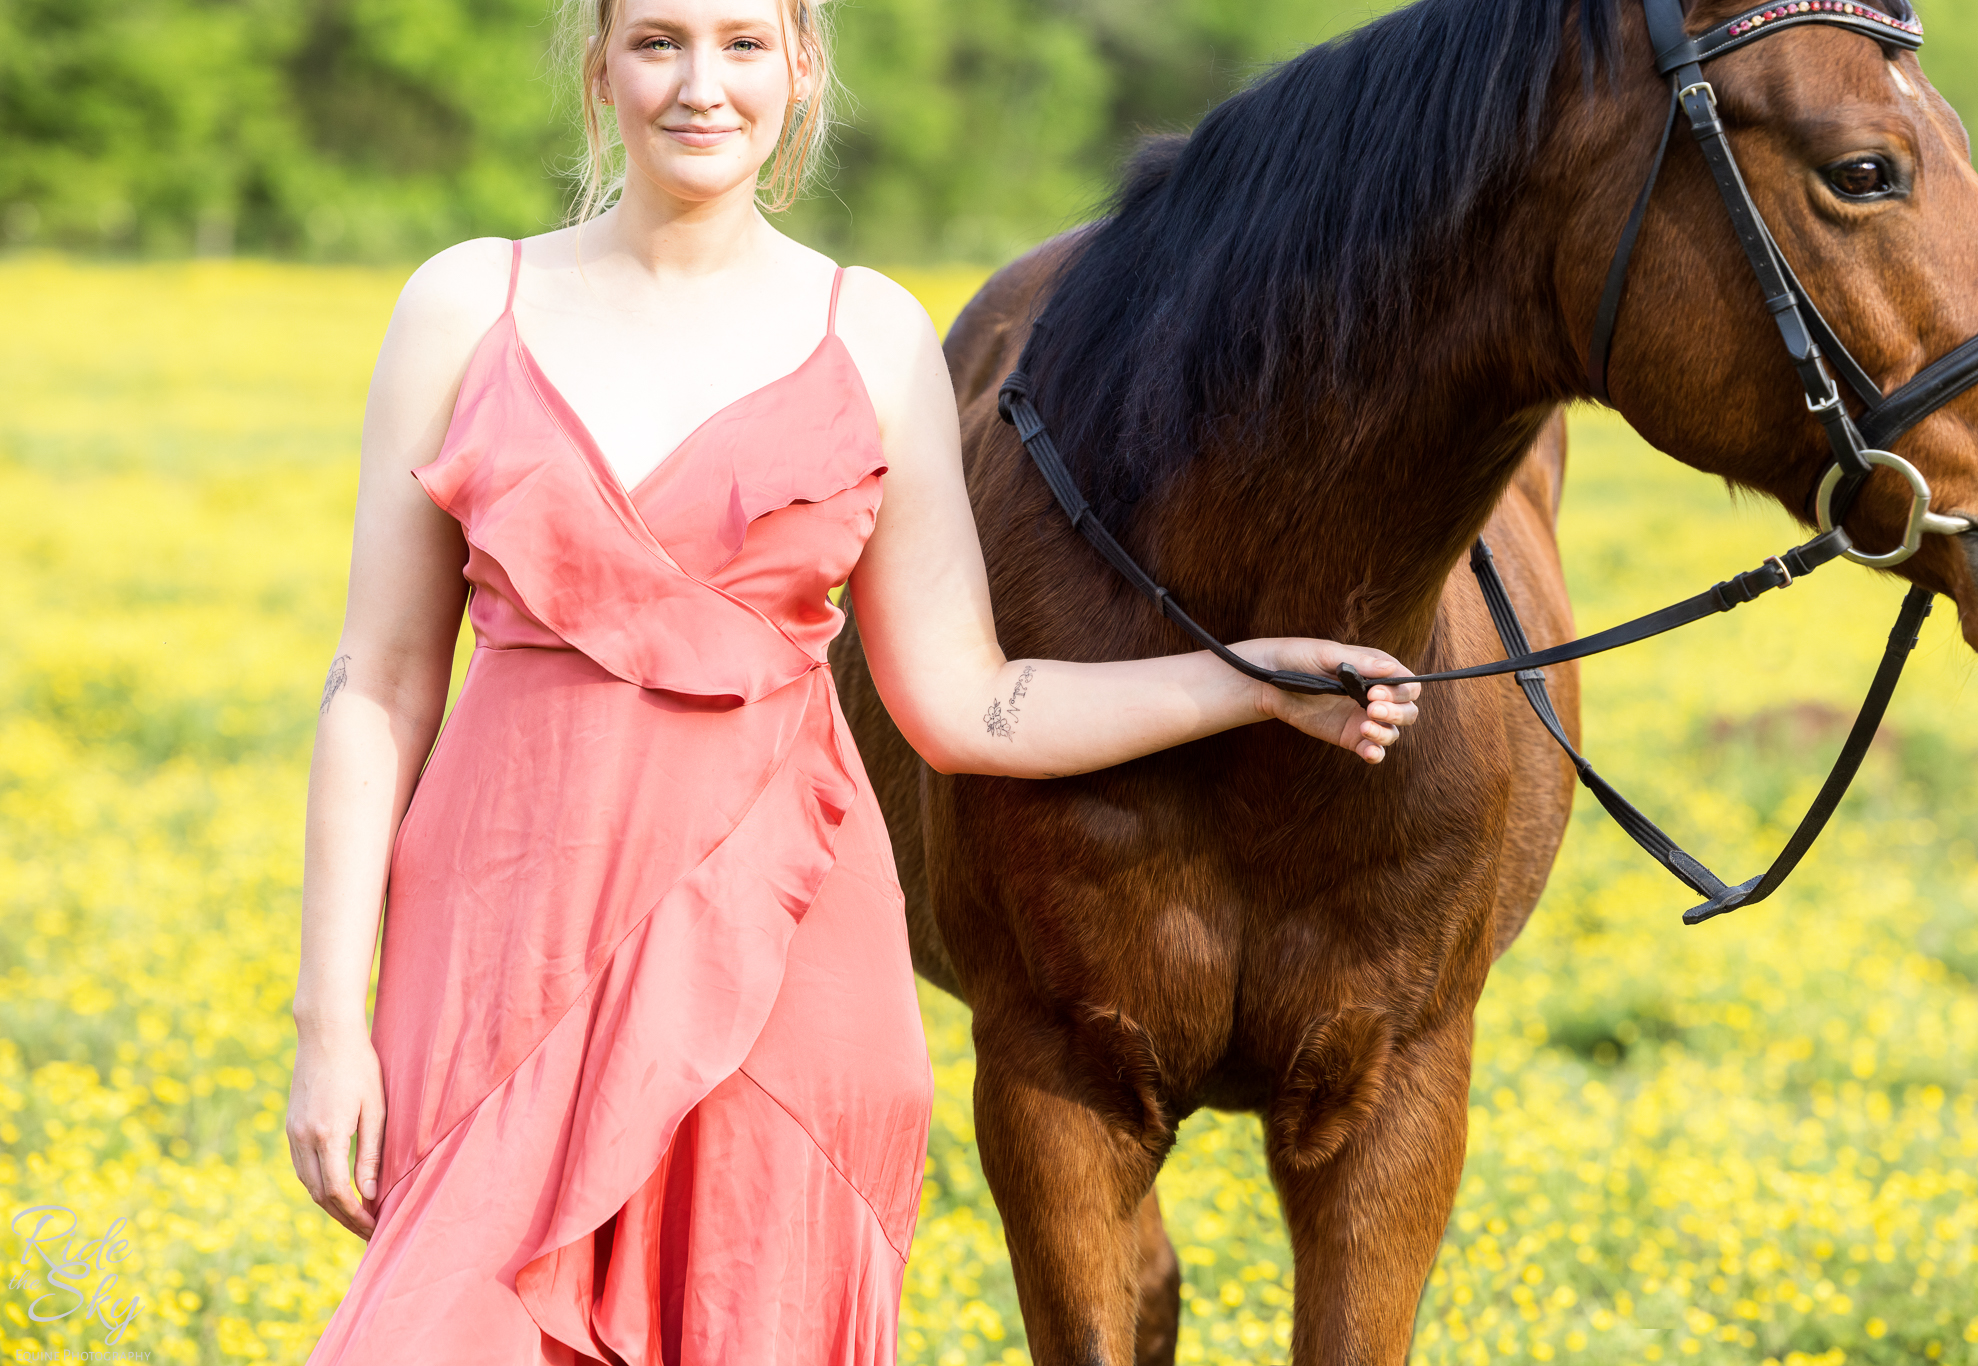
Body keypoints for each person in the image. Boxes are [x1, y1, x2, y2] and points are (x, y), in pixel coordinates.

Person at [284, 0, 1423, 1359]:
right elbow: (379, 685)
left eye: (743, 44)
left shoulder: (872, 332)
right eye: (657, 42)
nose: (700, 85)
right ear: (598, 67)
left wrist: (1247, 682)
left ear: (801, 70)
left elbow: (966, 701)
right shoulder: (467, 304)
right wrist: (327, 1023)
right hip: (503, 945)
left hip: (788, 970)